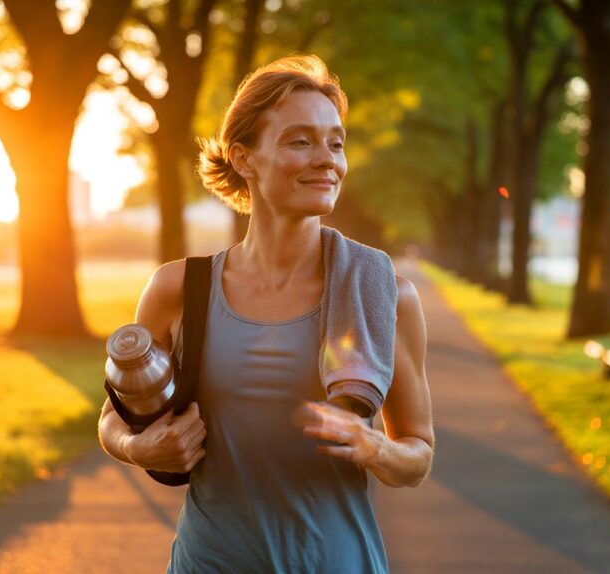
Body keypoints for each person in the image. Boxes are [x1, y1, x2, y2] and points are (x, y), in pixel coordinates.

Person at [97, 54, 433, 573]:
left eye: (336, 142)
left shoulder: (387, 295)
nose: (327, 159)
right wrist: (139, 448)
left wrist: (373, 447)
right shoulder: (178, 288)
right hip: (209, 562)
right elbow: (112, 420)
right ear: (244, 158)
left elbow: (417, 453)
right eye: (301, 140)